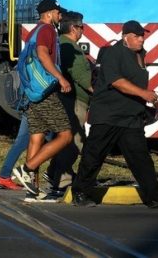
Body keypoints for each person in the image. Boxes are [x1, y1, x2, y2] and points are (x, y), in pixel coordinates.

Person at [70, 20, 158, 208]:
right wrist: (143, 93)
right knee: (94, 155)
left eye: (142, 35)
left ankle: (155, 196)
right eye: (136, 36)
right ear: (125, 37)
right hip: (108, 114)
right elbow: (117, 81)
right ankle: (80, 192)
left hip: (130, 116)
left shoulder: (140, 54)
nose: (141, 39)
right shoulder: (113, 53)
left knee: (140, 158)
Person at [14, 0, 75, 201]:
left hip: (32, 91)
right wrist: (60, 77)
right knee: (65, 136)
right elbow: (42, 53)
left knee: (37, 137)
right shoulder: (47, 30)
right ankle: (26, 169)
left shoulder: (34, 32)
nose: (60, 16)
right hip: (46, 92)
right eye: (58, 13)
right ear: (49, 13)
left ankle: (32, 189)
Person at [44, 11, 92, 193]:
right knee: (74, 142)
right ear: (74, 28)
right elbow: (83, 79)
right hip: (75, 100)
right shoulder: (70, 47)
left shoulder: (59, 44)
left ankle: (53, 171)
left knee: (63, 139)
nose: (83, 31)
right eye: (82, 27)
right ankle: (62, 180)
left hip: (65, 99)